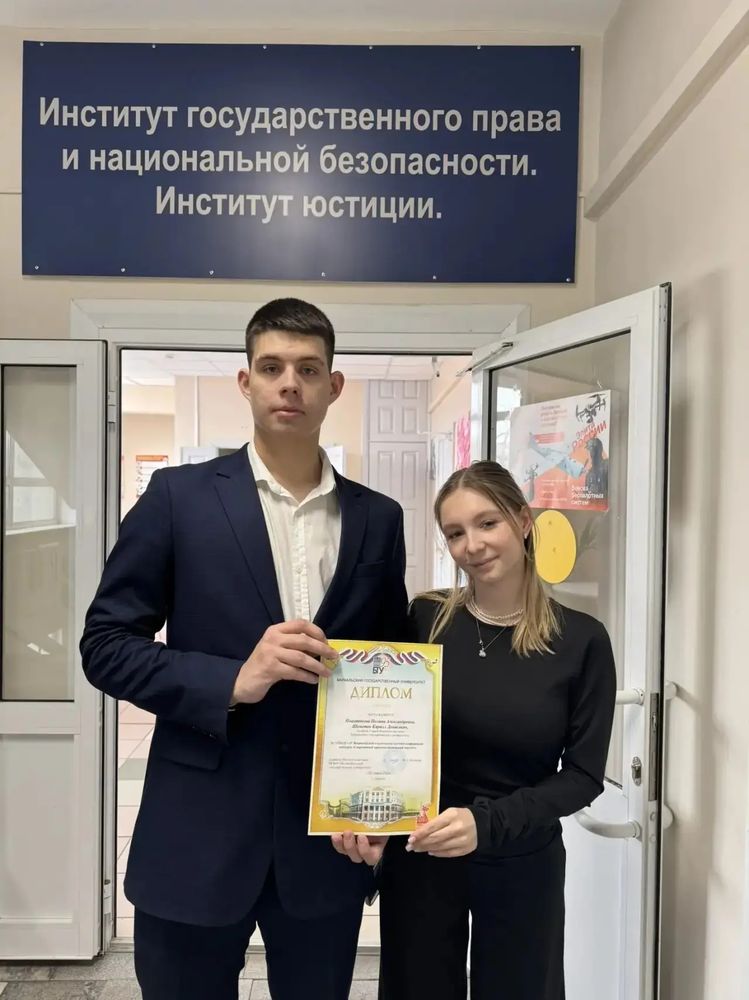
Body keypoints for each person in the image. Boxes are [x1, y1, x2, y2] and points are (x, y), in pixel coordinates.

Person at [80, 298, 408, 1000]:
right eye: (272, 367)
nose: (290, 383)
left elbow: (390, 674)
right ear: (246, 381)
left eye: (308, 369)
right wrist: (233, 679)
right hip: (196, 834)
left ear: (333, 386)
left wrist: (378, 807)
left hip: (325, 843)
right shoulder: (177, 498)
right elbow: (105, 646)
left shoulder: (378, 519)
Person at [375, 460, 617, 1000]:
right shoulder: (426, 619)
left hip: (522, 858)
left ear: (523, 520)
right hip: (423, 854)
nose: (473, 545)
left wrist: (486, 823)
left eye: (488, 523)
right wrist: (366, 817)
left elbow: (583, 776)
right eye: (455, 533)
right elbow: (386, 730)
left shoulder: (581, 640)